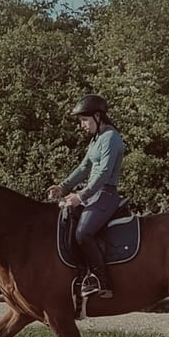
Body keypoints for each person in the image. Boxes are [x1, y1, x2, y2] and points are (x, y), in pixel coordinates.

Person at [47, 94, 124, 299]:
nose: (82, 125)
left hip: (105, 194)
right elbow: (84, 168)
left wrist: (80, 196)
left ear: (98, 117)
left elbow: (103, 173)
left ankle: (100, 280)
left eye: (84, 120)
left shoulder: (111, 138)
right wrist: (63, 187)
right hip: (92, 195)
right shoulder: (96, 140)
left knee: (83, 232)